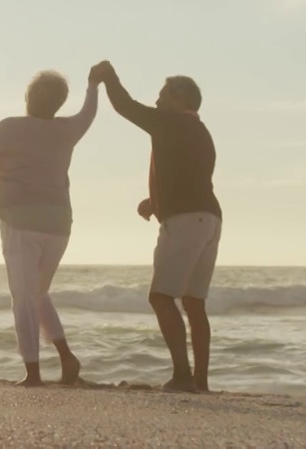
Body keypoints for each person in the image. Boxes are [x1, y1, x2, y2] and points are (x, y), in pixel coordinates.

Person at [0, 68, 100, 386]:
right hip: (59, 224)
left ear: (29, 97)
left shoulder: (9, 128)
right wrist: (94, 85)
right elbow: (88, 113)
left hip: (20, 222)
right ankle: (66, 357)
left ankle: (32, 373)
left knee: (22, 296)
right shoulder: (68, 129)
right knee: (38, 292)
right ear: (59, 103)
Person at [93, 61, 222, 393]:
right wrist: (154, 200)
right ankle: (200, 381)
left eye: (163, 96)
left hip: (185, 220)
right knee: (194, 302)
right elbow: (189, 176)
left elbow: (125, 107)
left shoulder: (170, 122)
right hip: (209, 218)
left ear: (179, 99)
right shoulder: (200, 131)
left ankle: (182, 376)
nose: (158, 102)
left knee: (161, 297)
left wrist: (108, 76)